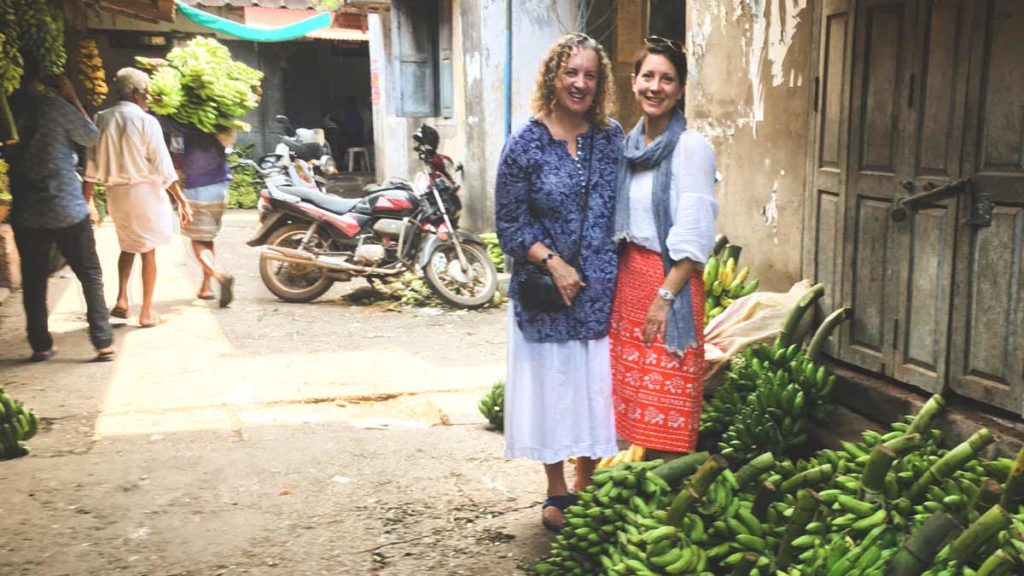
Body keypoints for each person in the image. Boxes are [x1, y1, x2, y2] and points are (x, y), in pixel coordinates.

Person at [494, 33, 623, 532]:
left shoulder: (612, 139)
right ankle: (556, 490)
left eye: (590, 75)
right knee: (552, 387)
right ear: (553, 76)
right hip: (546, 293)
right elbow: (509, 222)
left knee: (591, 391)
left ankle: (588, 484)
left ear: (600, 82)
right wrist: (553, 261)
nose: (580, 83)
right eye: (571, 73)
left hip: (599, 292)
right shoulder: (525, 144)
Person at [610, 37, 718, 458]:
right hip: (629, 281)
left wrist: (665, 297)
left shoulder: (691, 148)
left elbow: (695, 234)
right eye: (648, 76)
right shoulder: (628, 148)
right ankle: (634, 499)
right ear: (634, 82)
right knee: (634, 402)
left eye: (667, 79)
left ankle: (667, 506)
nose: (656, 87)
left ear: (682, 88)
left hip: (669, 284)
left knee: (668, 403)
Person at [6, 60, 115, 362]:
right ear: (41, 76)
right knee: (90, 273)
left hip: (28, 210)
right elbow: (90, 136)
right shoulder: (53, 106)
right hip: (66, 206)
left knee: (34, 278)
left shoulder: (8, 111)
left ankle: (40, 344)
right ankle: (103, 341)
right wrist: (71, 96)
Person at [84, 67, 192, 328]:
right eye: (145, 94)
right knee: (148, 251)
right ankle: (145, 313)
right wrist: (181, 199)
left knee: (128, 244)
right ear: (134, 93)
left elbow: (90, 166)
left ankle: (122, 300)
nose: (147, 99)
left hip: (116, 195)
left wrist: (86, 201)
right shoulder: (146, 121)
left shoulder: (100, 118)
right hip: (145, 194)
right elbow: (163, 165)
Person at [159, 116, 234, 307]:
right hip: (221, 187)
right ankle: (206, 287)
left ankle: (219, 275)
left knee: (197, 240)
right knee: (207, 237)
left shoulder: (184, 126)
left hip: (198, 189)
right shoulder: (218, 123)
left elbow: (175, 157)